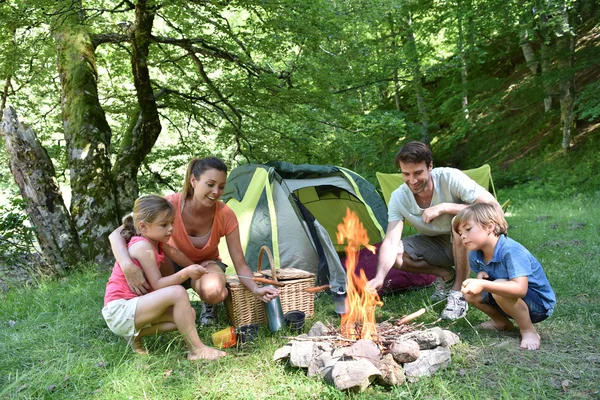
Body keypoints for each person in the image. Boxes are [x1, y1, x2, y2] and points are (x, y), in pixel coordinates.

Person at [109, 157, 280, 326]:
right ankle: (157, 309)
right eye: (210, 184)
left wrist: (256, 289)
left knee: (214, 292)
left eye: (221, 187)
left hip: (205, 265)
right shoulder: (169, 204)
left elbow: (241, 264)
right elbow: (117, 233)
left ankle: (210, 302)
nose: (216, 192)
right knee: (151, 258)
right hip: (170, 263)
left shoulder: (226, 215)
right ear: (193, 181)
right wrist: (127, 265)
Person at [367, 141, 499, 320]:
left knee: (459, 221)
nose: (412, 180)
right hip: (439, 244)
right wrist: (380, 277)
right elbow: (390, 240)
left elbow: (493, 207)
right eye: (406, 174)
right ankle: (446, 275)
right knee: (396, 253)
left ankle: (458, 293)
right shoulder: (399, 197)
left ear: (430, 166)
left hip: (476, 246)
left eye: (418, 173)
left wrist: (446, 207)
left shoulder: (450, 178)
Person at [102, 195, 226, 360]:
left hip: (132, 310)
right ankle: (197, 350)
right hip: (120, 311)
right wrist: (186, 273)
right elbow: (159, 284)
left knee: (187, 315)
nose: (170, 229)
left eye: (172, 223)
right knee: (178, 292)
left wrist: (199, 266)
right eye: (164, 225)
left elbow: (176, 254)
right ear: (143, 226)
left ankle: (135, 335)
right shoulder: (142, 247)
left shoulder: (155, 241)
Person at [453, 203, 555, 350]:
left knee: (499, 288)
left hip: (538, 305)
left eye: (468, 229)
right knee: (470, 294)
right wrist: (481, 278)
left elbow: (520, 290)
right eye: (460, 232)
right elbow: (490, 281)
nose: (463, 236)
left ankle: (528, 330)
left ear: (490, 227)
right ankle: (502, 323)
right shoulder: (475, 255)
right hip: (508, 300)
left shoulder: (511, 251)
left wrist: (484, 285)